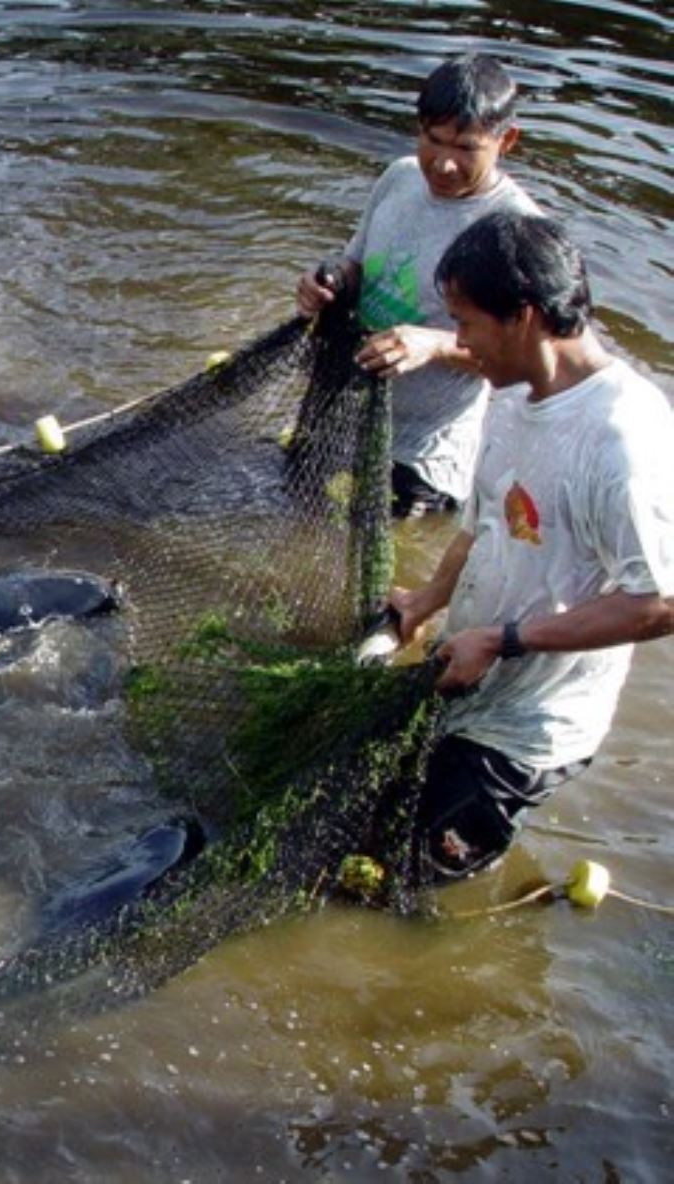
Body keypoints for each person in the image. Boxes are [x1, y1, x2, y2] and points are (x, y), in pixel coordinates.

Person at [388, 211, 674, 881]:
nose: (459, 342)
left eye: (465, 323)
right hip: (471, 677)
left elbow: (658, 604)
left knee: (408, 885)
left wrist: (502, 640)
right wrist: (428, 600)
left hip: (528, 730)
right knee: (377, 838)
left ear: (522, 317)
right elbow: (483, 523)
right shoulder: (512, 397)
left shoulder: (623, 441)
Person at [296, 53, 542, 518]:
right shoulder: (401, 177)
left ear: (506, 140)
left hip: (423, 454)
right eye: (434, 140)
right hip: (348, 413)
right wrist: (328, 279)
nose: (443, 164)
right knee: (292, 509)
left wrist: (433, 345)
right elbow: (357, 261)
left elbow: (522, 359)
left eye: (466, 148)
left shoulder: (517, 231)